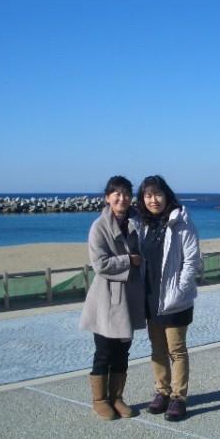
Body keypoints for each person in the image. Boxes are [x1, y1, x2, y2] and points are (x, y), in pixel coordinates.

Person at [133, 175, 201, 422]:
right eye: (148, 195)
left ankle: (178, 398)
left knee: (177, 350)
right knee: (157, 349)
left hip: (175, 300)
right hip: (151, 297)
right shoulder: (144, 224)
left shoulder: (181, 223)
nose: (154, 200)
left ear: (167, 195)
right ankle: (162, 392)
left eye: (158, 194)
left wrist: (179, 291)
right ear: (143, 199)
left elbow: (192, 261)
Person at [79, 176, 146, 420]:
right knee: (104, 352)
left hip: (130, 296)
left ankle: (117, 398)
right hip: (106, 298)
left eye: (126, 194)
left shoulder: (138, 222)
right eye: (117, 194)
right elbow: (100, 264)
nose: (122, 198)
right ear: (107, 198)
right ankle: (99, 400)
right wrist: (129, 260)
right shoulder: (99, 226)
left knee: (123, 352)